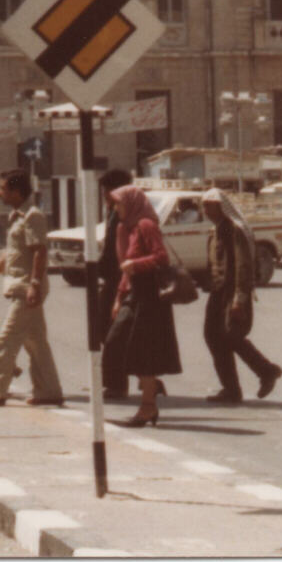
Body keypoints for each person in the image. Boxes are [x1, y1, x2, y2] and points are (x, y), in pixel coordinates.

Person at [0, 170, 64, 406]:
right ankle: (49, 390)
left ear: (16, 191)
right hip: (18, 286)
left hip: (26, 289)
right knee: (35, 342)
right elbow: (11, 253)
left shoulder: (33, 216)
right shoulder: (15, 217)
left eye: (3, 189)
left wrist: (34, 284)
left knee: (7, 337)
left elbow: (39, 252)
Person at [104, 185, 180, 426]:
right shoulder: (131, 228)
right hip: (135, 294)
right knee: (118, 343)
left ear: (132, 203)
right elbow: (127, 268)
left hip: (149, 298)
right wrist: (119, 297)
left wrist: (136, 265)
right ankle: (151, 389)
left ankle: (147, 407)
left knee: (141, 352)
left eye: (120, 203)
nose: (117, 209)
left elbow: (161, 258)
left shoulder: (146, 225)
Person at [201, 188, 282, 403]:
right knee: (213, 337)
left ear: (220, 207)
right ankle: (232, 389)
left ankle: (265, 371)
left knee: (231, 336)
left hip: (233, 292)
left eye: (209, 205)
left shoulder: (234, 229)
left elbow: (243, 265)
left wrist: (240, 298)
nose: (205, 210)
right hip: (218, 293)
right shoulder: (215, 230)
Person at [96, 169, 133, 398]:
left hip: (122, 279)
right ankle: (144, 378)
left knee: (113, 332)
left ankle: (117, 384)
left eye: (107, 191)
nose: (104, 196)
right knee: (105, 329)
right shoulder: (113, 212)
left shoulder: (125, 214)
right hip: (112, 277)